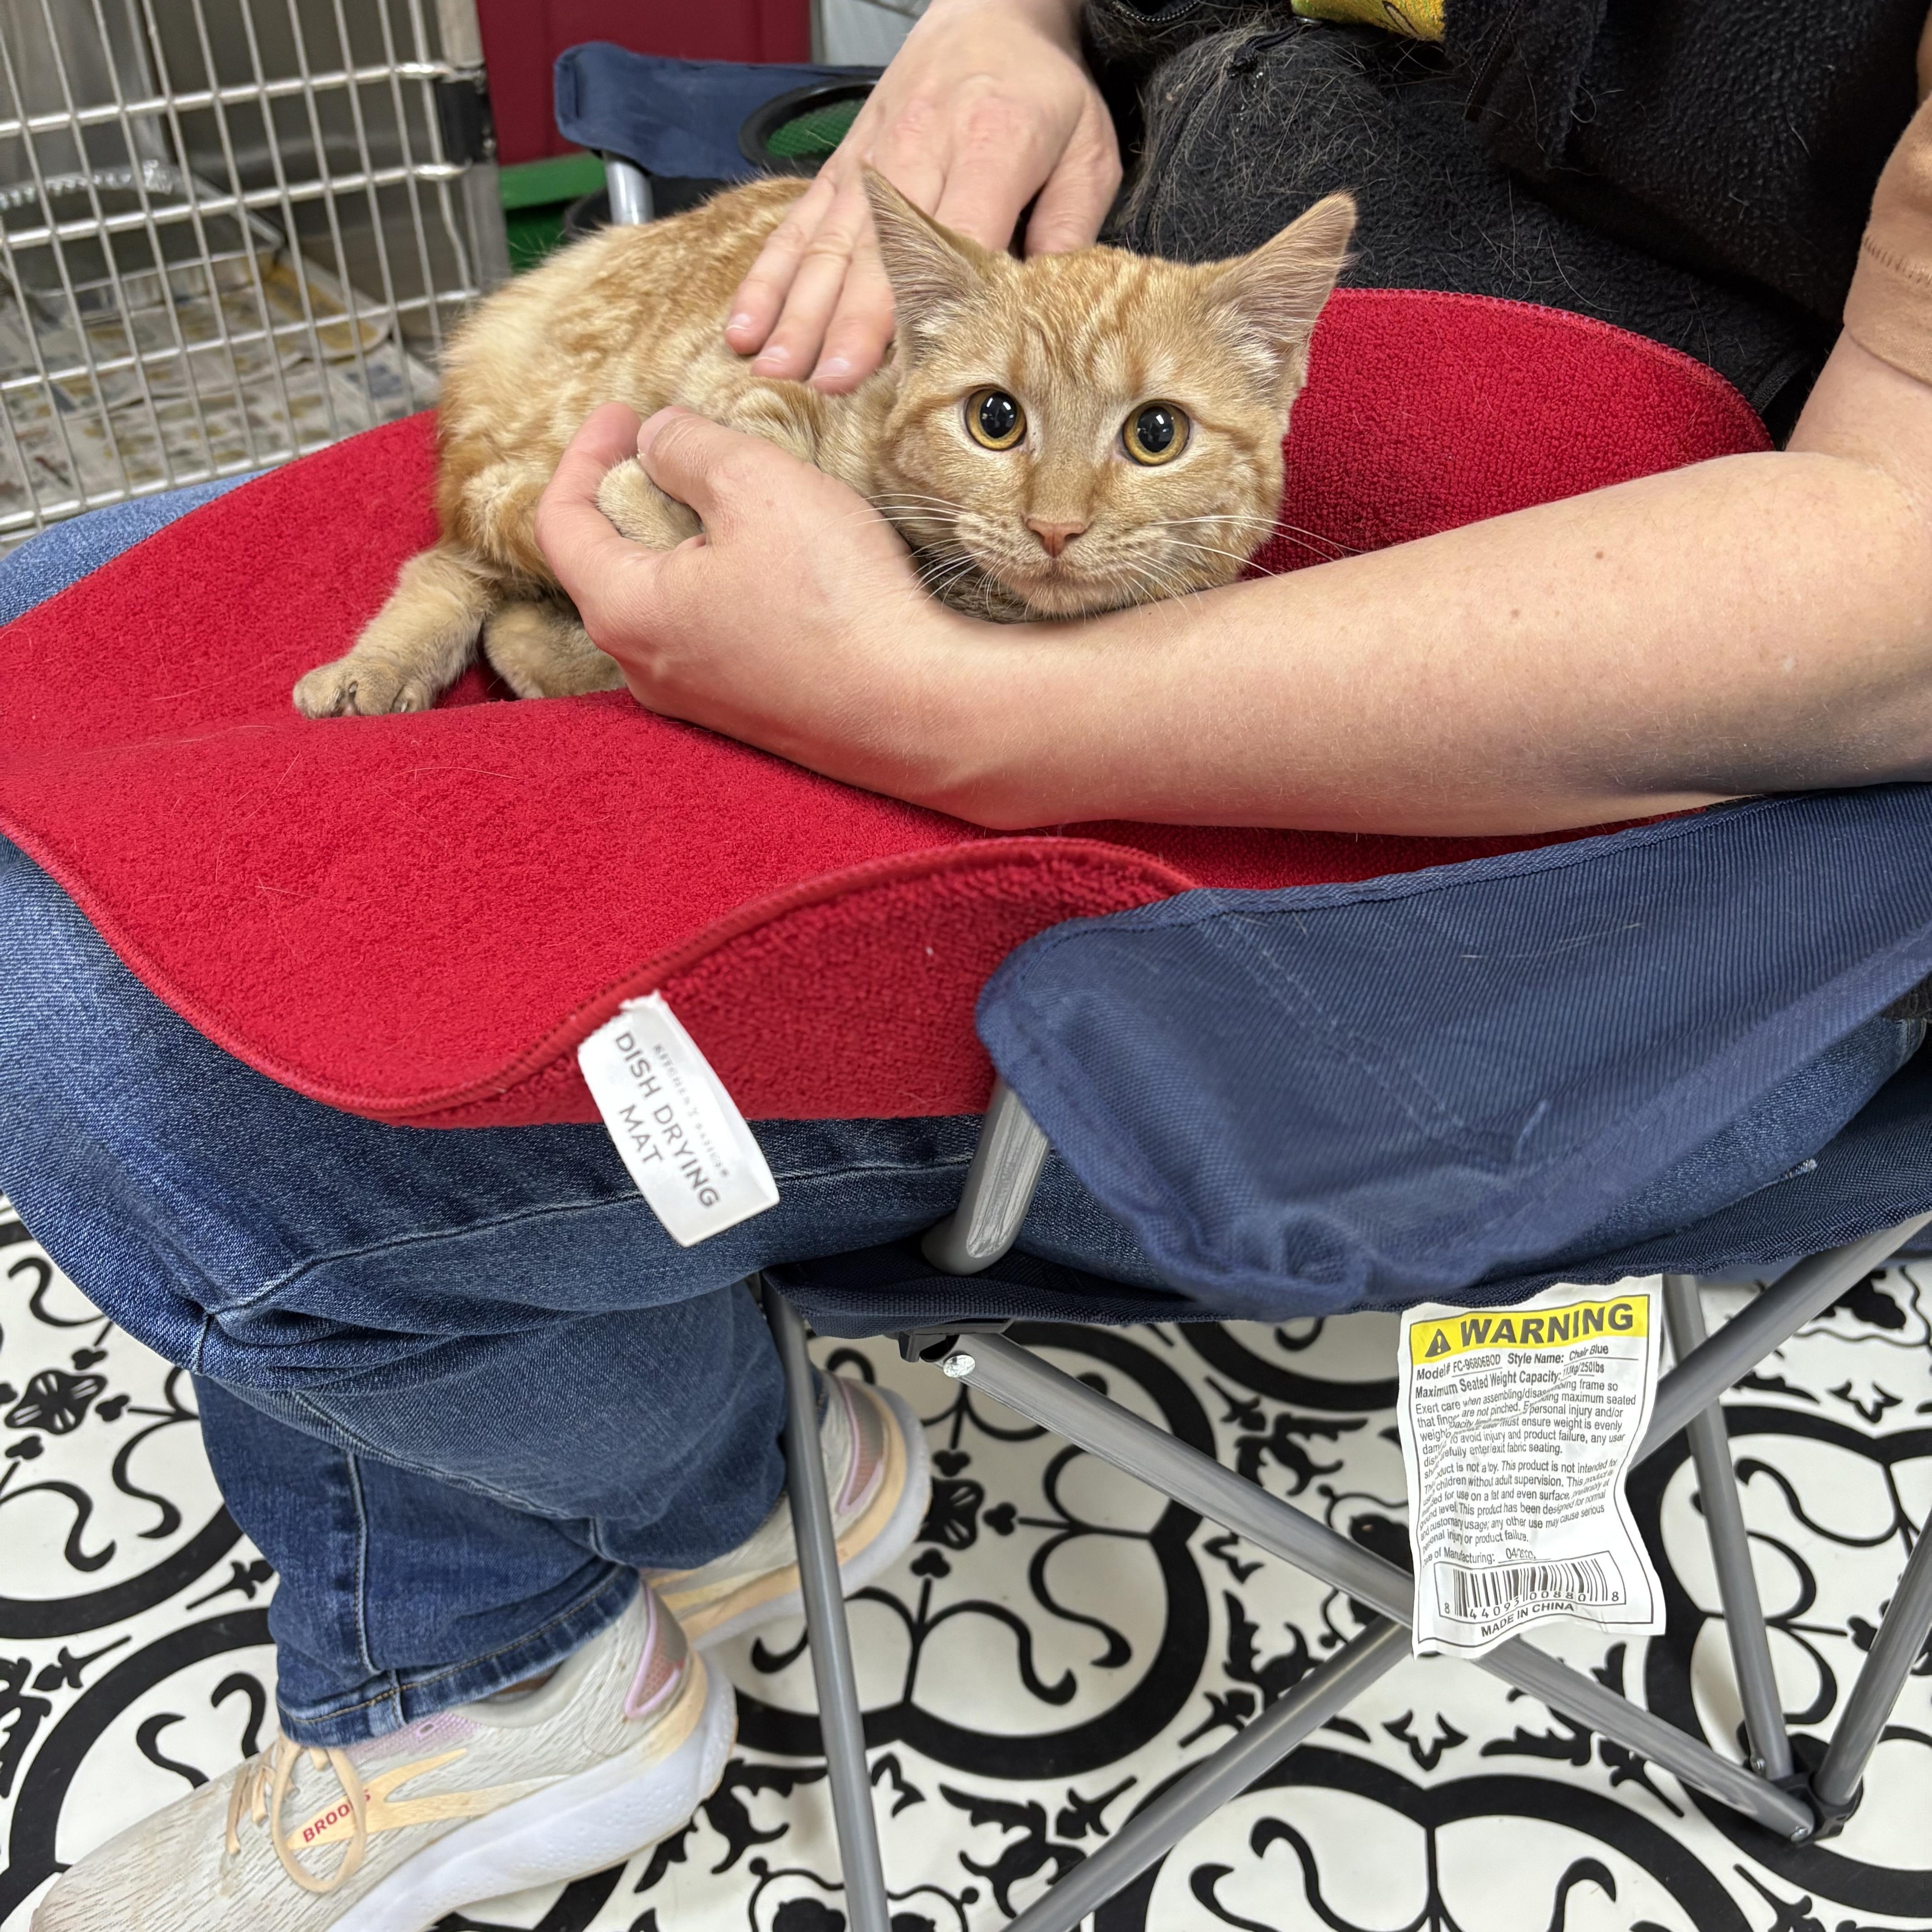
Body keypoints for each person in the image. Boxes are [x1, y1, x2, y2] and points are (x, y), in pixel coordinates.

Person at [9, 0, 1932, 1923]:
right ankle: (599, 1547)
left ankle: (619, 1580)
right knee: (43, 647)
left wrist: (942, 706)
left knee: (130, 1056)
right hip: (993, 425)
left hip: (1560, 813)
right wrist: (1013, 23)